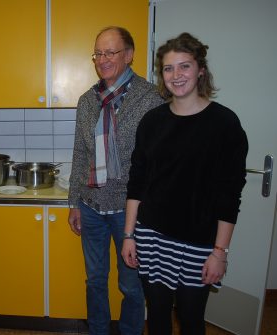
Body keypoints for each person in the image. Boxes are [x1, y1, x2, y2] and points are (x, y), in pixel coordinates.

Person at [121, 32, 248, 335]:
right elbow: (137, 183)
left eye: (184, 66)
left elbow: (230, 195)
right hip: (151, 237)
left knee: (191, 320)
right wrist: (129, 235)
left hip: (198, 242)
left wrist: (220, 252)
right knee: (159, 318)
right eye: (168, 68)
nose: (176, 76)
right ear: (161, 74)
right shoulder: (152, 122)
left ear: (200, 70)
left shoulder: (225, 124)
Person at [68, 26, 164, 335]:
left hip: (130, 211)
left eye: (111, 52)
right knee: (95, 280)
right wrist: (74, 202)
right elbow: (80, 154)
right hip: (92, 206)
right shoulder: (87, 100)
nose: (103, 59)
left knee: (130, 285)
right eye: (98, 53)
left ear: (129, 54)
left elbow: (158, 161)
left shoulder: (150, 98)